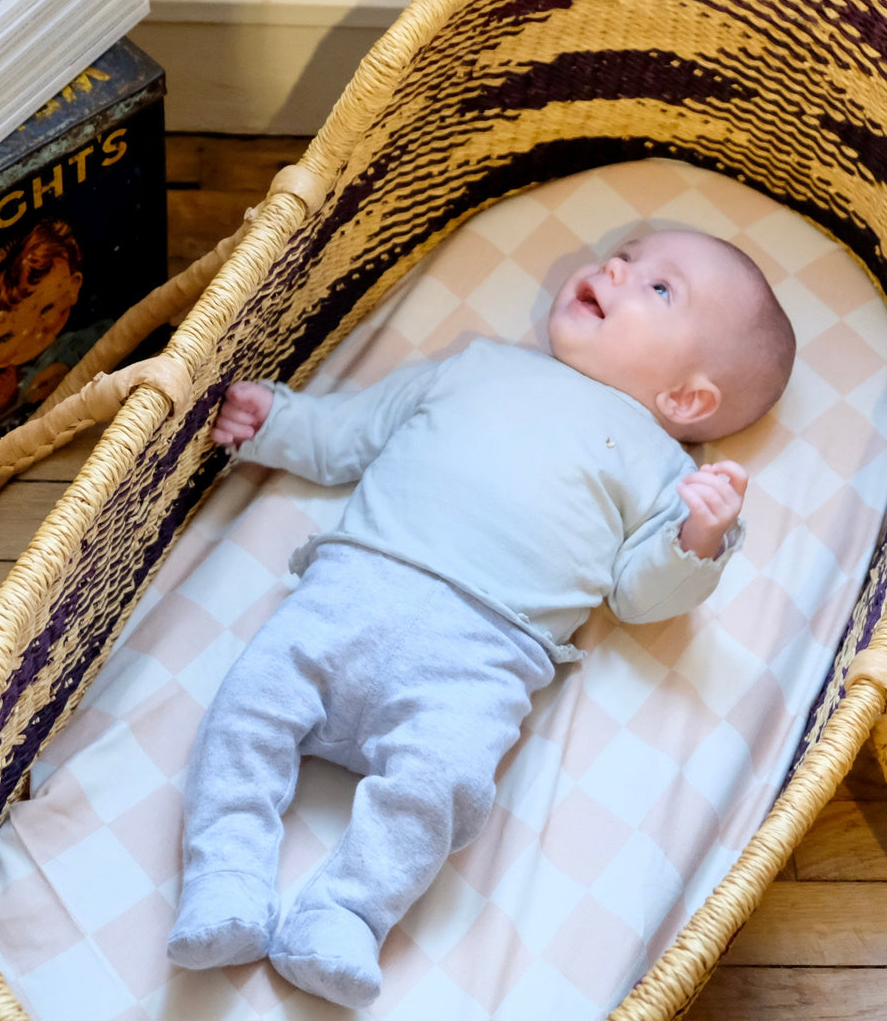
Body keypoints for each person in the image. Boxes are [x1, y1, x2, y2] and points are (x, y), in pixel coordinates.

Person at [166, 229, 796, 1008]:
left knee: (440, 787)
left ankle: (346, 912)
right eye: (626, 255)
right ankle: (224, 875)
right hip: (350, 585)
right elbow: (351, 436)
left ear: (686, 400)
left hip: (483, 653)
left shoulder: (662, 465)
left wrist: (698, 536)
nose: (616, 269)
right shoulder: (476, 363)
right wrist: (272, 422)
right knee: (245, 711)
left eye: (659, 289)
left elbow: (641, 597)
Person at [0, 219, 107, 441]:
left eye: (47, 309)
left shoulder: (75, 343)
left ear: (73, 286)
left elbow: (117, 337)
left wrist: (68, 366)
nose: (34, 335)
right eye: (4, 337)